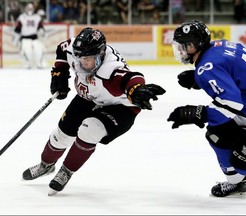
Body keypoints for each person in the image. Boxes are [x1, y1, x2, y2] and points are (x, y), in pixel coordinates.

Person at [22, 27, 166, 196]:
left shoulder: (110, 68)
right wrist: (59, 75)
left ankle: (67, 170)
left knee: (89, 129)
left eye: (88, 59)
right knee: (61, 135)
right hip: (89, 97)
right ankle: (45, 165)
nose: (82, 64)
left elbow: (130, 78)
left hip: (120, 108)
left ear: (101, 54)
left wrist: (136, 89)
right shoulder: (75, 48)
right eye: (79, 58)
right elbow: (62, 49)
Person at [167, 20, 246, 197]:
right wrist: (200, 79)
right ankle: (237, 183)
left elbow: (232, 104)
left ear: (194, 45)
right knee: (217, 135)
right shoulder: (219, 45)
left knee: (244, 164)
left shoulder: (207, 67)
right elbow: (237, 70)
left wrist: (196, 113)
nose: (180, 51)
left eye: (184, 46)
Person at [13, 3, 46, 69]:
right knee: (26, 51)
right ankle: (27, 64)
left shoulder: (37, 17)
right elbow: (18, 29)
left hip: (35, 38)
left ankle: (39, 63)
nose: (30, 10)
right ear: (26, 9)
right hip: (24, 38)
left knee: (40, 49)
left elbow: (40, 27)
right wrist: (15, 39)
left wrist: (42, 31)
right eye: (29, 8)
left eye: (31, 8)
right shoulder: (22, 17)